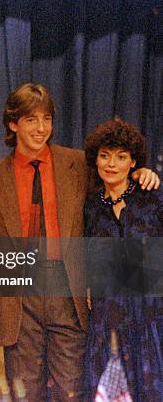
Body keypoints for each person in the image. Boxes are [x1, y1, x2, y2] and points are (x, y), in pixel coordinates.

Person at [0, 83, 159, 401]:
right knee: (23, 391)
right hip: (19, 300)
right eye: (31, 119)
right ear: (13, 123)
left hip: (69, 294)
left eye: (46, 119)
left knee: (70, 391)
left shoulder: (80, 166)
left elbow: (116, 181)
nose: (41, 128)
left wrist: (143, 174)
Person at [83, 119, 162, 401]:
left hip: (148, 314)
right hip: (107, 317)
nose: (111, 164)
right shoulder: (91, 208)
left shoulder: (152, 200)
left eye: (121, 157)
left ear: (133, 162)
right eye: (105, 156)